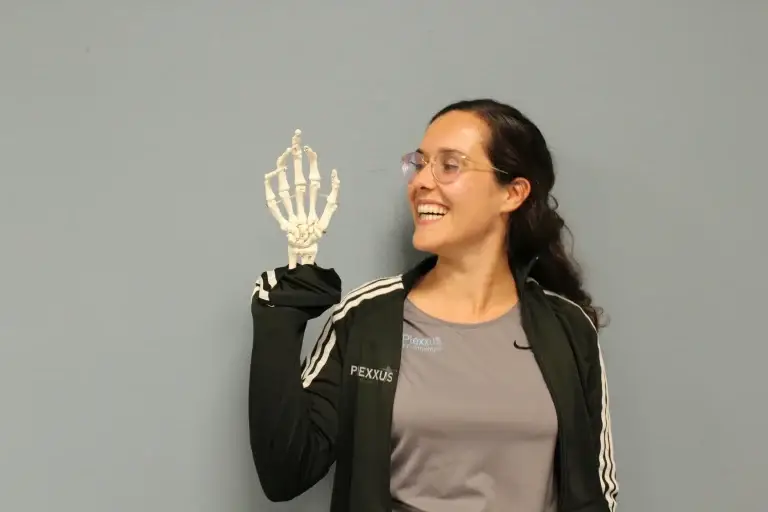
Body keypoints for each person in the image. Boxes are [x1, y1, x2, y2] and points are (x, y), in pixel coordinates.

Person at [248, 98, 619, 512]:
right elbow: (285, 470)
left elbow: (597, 492)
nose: (420, 181)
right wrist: (279, 315)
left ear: (513, 193)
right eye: (420, 164)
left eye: (449, 165)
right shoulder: (367, 319)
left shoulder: (567, 329)